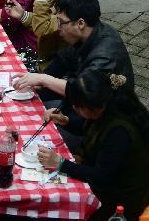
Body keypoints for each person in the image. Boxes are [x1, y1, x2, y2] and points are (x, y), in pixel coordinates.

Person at [37, 71, 149, 221]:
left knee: (54, 203)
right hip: (105, 175)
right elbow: (90, 128)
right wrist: (66, 121)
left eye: (77, 107)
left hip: (119, 200)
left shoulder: (119, 132)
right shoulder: (107, 105)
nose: (75, 109)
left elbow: (100, 176)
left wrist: (60, 163)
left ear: (92, 107)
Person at [13, 0, 135, 113]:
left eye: (61, 22)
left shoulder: (104, 54)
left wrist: (44, 79)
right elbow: (64, 59)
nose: (58, 28)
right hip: (84, 104)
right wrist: (40, 80)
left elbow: (84, 92)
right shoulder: (89, 33)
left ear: (80, 23)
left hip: (106, 116)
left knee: (34, 111)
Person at [5, 0, 92, 66]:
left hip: (60, 68)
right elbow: (46, 22)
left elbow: (43, 30)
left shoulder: (74, 8)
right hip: (47, 57)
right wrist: (22, 15)